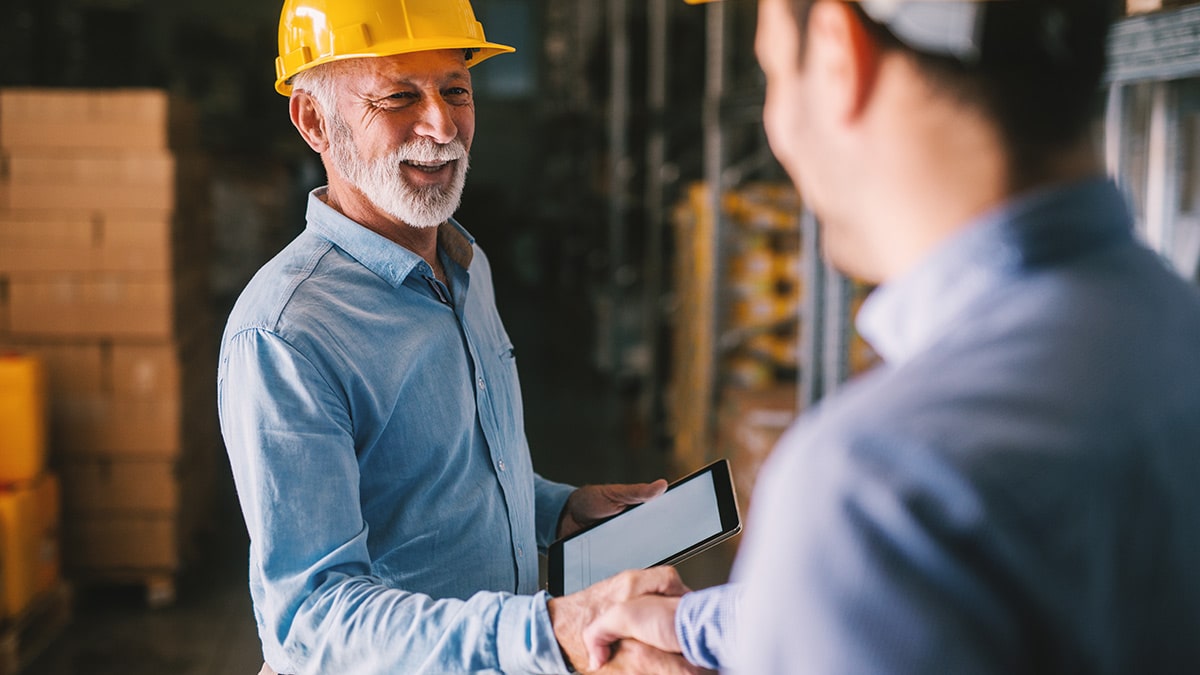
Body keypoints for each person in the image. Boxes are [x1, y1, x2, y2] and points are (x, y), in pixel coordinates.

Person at [583, 0, 1200, 672]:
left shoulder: (875, 487)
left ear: (837, 53)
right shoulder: (1170, 331)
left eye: (770, 75)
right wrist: (698, 625)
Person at [218, 1, 701, 673]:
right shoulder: (287, 333)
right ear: (313, 120)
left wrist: (556, 512)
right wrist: (550, 628)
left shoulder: (466, 266)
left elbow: (443, 477)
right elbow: (311, 620)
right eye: (398, 98)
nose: (442, 126)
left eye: (456, 91)